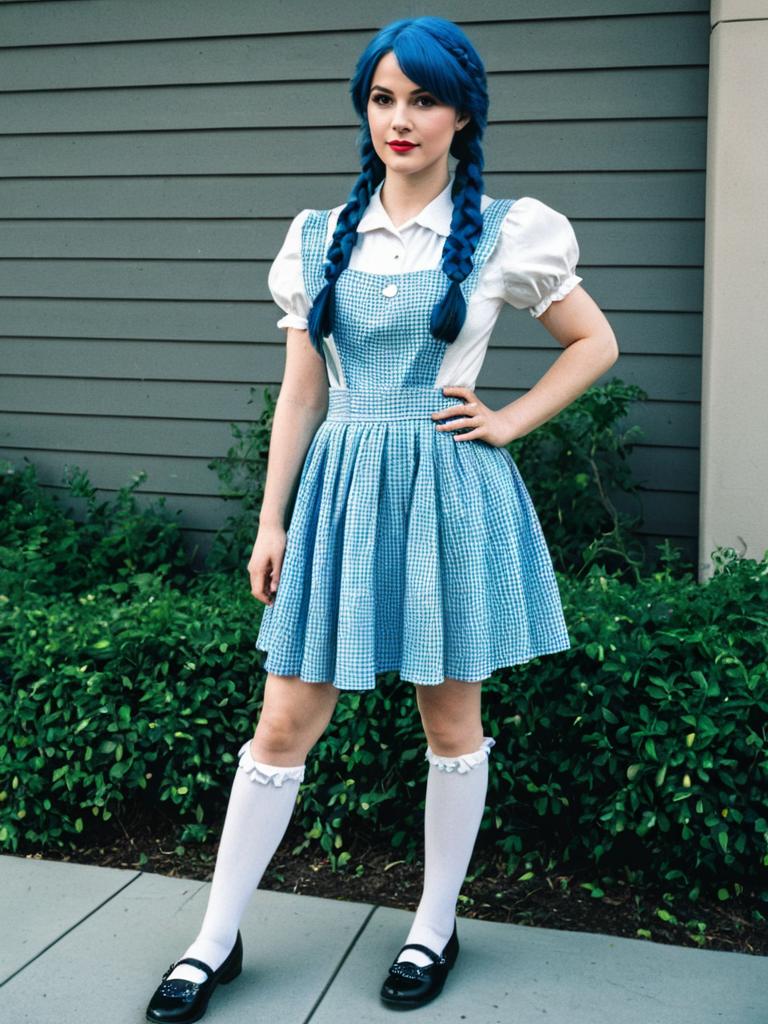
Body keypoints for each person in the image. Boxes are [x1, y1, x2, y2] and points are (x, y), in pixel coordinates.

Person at [145, 14, 618, 1022]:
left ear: (461, 112)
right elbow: (301, 397)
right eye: (382, 97)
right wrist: (270, 521)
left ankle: (432, 922)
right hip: (342, 491)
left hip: (449, 489)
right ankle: (213, 938)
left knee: (450, 717)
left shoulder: (505, 228)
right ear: (366, 107)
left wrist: (509, 421)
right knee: (283, 719)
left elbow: (593, 342)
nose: (400, 119)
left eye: (424, 98)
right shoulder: (318, 236)